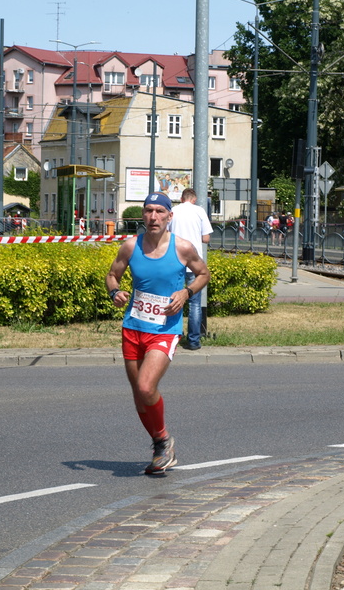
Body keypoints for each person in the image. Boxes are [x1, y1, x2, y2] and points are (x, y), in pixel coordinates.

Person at [106, 192, 210, 474]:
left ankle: (163, 439)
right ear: (143, 215)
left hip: (164, 329)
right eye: (149, 211)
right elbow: (112, 275)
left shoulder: (183, 248)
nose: (153, 217)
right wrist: (115, 291)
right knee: (138, 395)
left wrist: (186, 292)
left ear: (169, 216)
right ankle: (160, 445)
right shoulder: (130, 246)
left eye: (159, 212)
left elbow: (203, 273)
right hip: (133, 327)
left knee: (145, 386)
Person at [170, 187, 212, 350]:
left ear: (181, 198)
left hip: (174, 261)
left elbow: (165, 233)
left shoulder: (173, 211)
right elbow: (206, 238)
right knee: (194, 303)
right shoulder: (199, 211)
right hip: (194, 263)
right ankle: (194, 341)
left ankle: (172, 337)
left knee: (173, 300)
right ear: (194, 199)